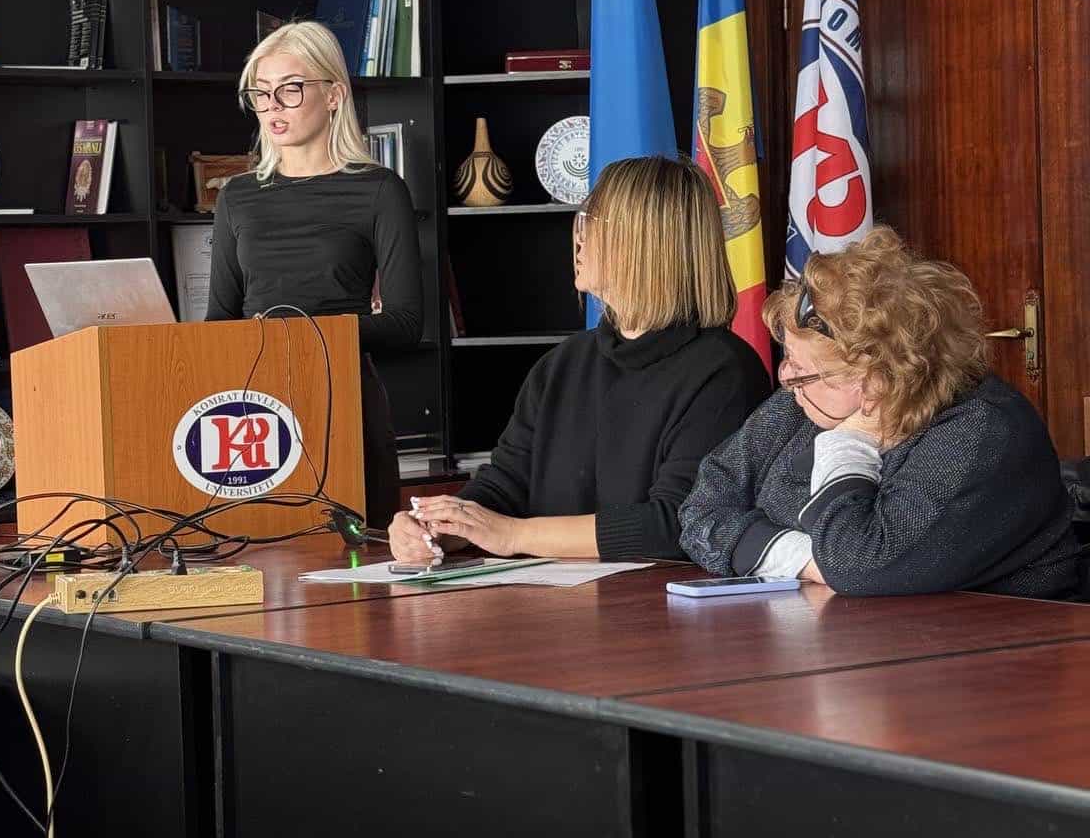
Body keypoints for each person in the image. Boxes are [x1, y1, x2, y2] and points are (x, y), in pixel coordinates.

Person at [389, 155, 771, 565]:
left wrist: (514, 534)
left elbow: (678, 526)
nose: (578, 239)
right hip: (549, 598)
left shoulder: (725, 373)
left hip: (658, 601)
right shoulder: (563, 364)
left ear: (643, 243)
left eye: (591, 223)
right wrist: (442, 527)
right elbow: (506, 484)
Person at [678, 226, 1080, 598]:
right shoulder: (805, 402)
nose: (786, 378)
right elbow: (700, 511)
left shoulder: (980, 432)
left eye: (801, 369)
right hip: (848, 632)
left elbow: (858, 566)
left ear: (877, 378)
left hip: (1000, 640)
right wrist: (805, 558)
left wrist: (848, 445)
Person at [206, 19, 422, 527]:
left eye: (290, 89)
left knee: (358, 551)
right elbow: (219, 320)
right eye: (261, 93)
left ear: (333, 95)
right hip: (253, 405)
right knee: (265, 549)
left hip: (344, 396)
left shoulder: (380, 190)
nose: (273, 107)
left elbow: (406, 323)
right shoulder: (237, 197)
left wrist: (302, 335)